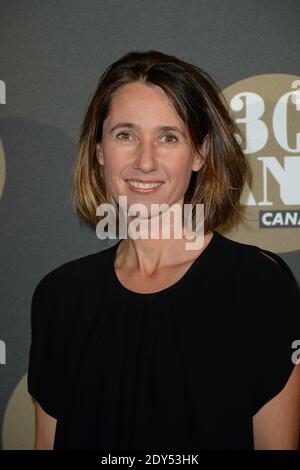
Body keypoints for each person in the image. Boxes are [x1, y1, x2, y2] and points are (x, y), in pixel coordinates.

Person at [27, 50, 300, 450]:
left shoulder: (257, 287)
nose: (145, 161)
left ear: (200, 153)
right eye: (126, 135)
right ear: (100, 150)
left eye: (168, 137)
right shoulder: (61, 296)